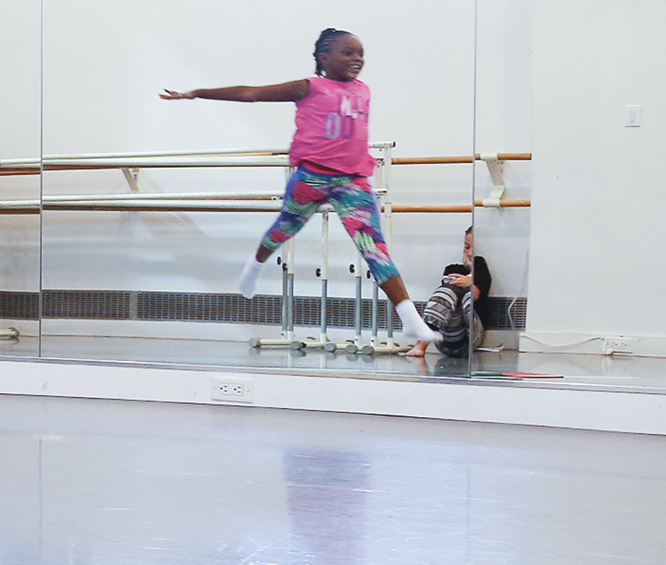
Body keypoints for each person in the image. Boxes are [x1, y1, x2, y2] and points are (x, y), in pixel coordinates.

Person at [160, 27, 441, 345]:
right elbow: (252, 93)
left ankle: (410, 319)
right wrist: (198, 92)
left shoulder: (364, 90)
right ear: (324, 58)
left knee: (374, 249)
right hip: (312, 178)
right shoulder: (309, 87)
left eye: (360, 53)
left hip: (352, 182)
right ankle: (253, 266)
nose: (357, 59)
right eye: (348, 53)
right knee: (284, 229)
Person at [409, 228, 493, 361]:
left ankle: (422, 342)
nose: (469, 252)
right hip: (446, 339)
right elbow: (444, 296)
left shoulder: (481, 267)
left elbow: (475, 295)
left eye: (473, 248)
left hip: (471, 338)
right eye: (466, 247)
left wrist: (470, 278)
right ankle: (422, 343)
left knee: (467, 292)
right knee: (450, 289)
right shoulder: (452, 269)